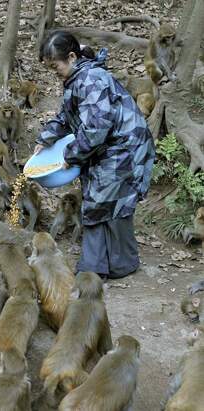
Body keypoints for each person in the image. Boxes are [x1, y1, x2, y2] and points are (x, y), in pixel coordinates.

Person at [34, 31, 155, 279]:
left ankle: (118, 265)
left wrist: (71, 155)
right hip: (107, 148)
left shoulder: (92, 80)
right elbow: (66, 117)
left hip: (125, 148)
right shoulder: (76, 79)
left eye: (54, 65)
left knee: (112, 203)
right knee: (98, 201)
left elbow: (97, 128)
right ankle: (97, 265)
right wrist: (45, 138)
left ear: (71, 57)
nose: (53, 71)